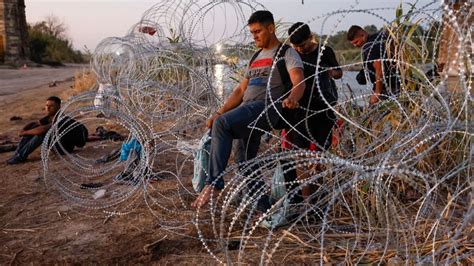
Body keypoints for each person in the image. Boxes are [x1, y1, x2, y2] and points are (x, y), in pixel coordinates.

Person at [191, 10, 306, 209]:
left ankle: (214, 185)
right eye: (252, 32)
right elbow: (240, 91)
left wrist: (293, 98)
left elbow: (299, 81)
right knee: (245, 162)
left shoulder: (286, 52)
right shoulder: (255, 56)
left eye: (258, 31)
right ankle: (264, 207)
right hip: (248, 109)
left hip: (268, 108)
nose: (254, 36)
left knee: (223, 125)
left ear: (271, 28)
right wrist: (219, 112)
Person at [285, 22, 342, 202]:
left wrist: (329, 72)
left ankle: (317, 197)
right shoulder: (293, 53)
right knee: (301, 154)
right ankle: (306, 202)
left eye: (302, 45)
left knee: (318, 155)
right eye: (296, 47)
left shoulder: (325, 51)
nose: (300, 49)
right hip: (300, 109)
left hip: (323, 107)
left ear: (311, 37)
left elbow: (339, 72)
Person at [6, 96, 87, 165]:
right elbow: (34, 123)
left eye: (51, 106)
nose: (47, 108)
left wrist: (25, 132)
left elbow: (43, 129)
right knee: (33, 129)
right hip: (55, 144)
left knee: (42, 134)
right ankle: (17, 154)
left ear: (59, 107)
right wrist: (24, 130)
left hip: (64, 148)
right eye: (46, 105)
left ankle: (20, 157)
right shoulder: (50, 116)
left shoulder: (61, 119)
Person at [347, 25, 400, 106]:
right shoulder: (379, 37)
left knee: (375, 114)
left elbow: (379, 69)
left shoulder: (369, 46)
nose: (355, 45)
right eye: (353, 44)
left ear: (362, 35)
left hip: (386, 88)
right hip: (397, 80)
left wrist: (377, 93)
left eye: (356, 42)